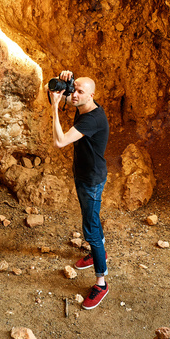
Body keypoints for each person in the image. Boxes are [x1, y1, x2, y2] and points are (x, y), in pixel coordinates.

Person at [49, 70, 110, 310]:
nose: (74, 95)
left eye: (79, 92)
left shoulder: (91, 119)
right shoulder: (85, 105)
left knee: (91, 228)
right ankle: (99, 254)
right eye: (73, 89)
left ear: (91, 95)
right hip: (84, 174)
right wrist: (63, 83)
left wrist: (54, 108)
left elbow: (60, 141)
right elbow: (63, 93)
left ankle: (101, 282)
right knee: (91, 218)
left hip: (91, 180)